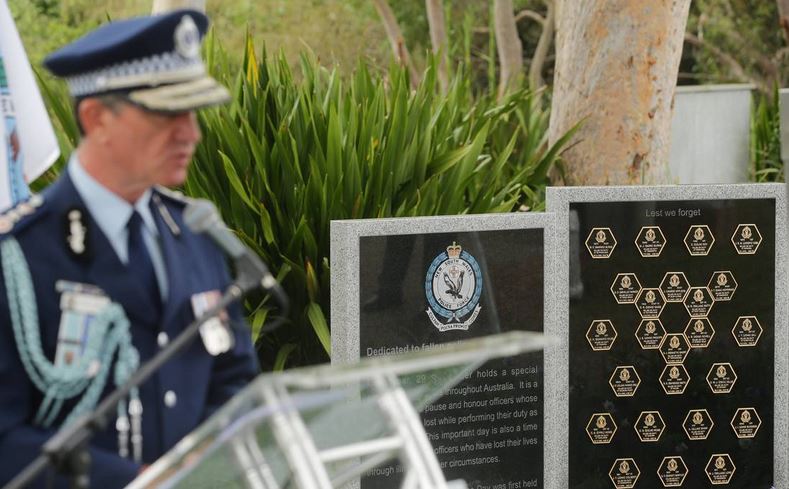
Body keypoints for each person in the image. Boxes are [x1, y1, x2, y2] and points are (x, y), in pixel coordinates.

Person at [0, 9, 259, 487]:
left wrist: (207, 468)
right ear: (97, 118)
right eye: (168, 114)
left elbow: (234, 379)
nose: (191, 134)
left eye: (193, 113)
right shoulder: (17, 254)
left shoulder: (196, 233)